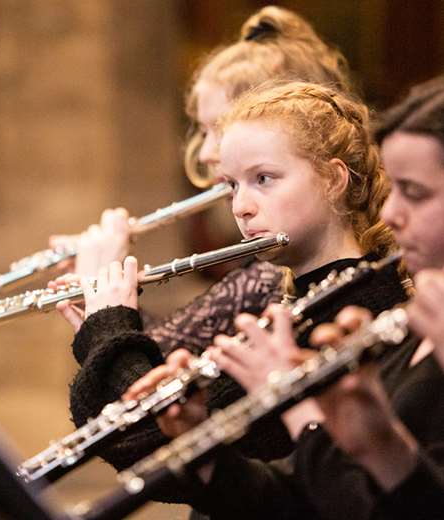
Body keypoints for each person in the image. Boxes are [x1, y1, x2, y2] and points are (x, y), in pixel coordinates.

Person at [57, 6, 404, 476]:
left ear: (333, 178)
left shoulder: (351, 307)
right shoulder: (296, 296)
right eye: (234, 185)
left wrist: (110, 325)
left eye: (263, 178)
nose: (240, 206)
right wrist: (102, 326)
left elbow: (148, 437)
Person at [140, 76, 444, 519]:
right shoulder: (413, 328)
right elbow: (295, 495)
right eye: (233, 186)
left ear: (335, 179)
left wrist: (300, 410)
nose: (393, 212)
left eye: (414, 192)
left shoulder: (376, 306)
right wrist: (198, 443)